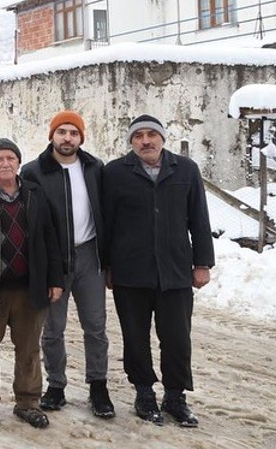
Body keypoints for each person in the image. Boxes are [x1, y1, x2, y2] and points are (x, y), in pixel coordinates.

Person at [102, 115, 214, 428]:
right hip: (130, 272)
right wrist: (107, 265)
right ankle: (144, 394)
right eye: (139, 136)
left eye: (152, 135)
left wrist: (202, 263)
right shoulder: (115, 173)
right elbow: (106, 222)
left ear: (163, 138)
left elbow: (199, 219)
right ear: (131, 141)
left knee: (177, 338)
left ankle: (175, 397)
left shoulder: (186, 170)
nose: (146, 141)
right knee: (135, 337)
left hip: (175, 270)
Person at [0, 138, 64, 430]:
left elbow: (50, 240)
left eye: (10, 158)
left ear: (18, 162)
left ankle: (28, 402)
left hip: (30, 289)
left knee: (29, 349)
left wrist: (55, 279)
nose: (5, 164)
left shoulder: (36, 195)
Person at [20, 110, 115, 418]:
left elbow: (106, 213)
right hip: (53, 259)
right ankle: (56, 385)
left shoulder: (94, 167)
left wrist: (108, 258)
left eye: (73, 133)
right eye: (61, 132)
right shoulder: (34, 171)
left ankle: (98, 386)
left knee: (96, 326)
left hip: (89, 255)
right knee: (52, 328)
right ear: (52, 135)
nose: (67, 138)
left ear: (81, 138)